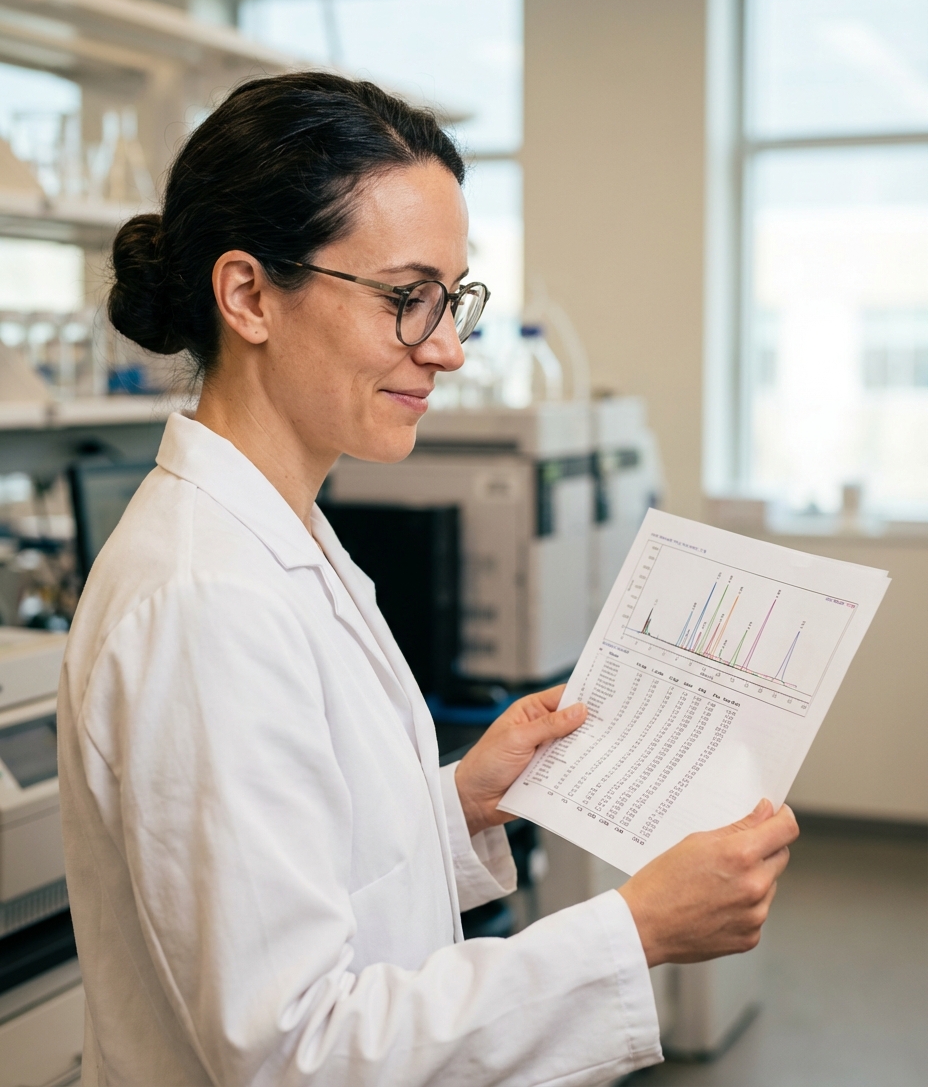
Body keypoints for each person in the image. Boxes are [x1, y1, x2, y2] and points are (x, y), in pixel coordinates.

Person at [58, 72, 798, 1087]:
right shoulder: (206, 601)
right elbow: (293, 1052)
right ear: (247, 295)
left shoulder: (280, 534)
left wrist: (459, 803)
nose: (446, 348)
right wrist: (633, 933)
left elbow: (313, 887)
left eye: (453, 300)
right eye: (408, 299)